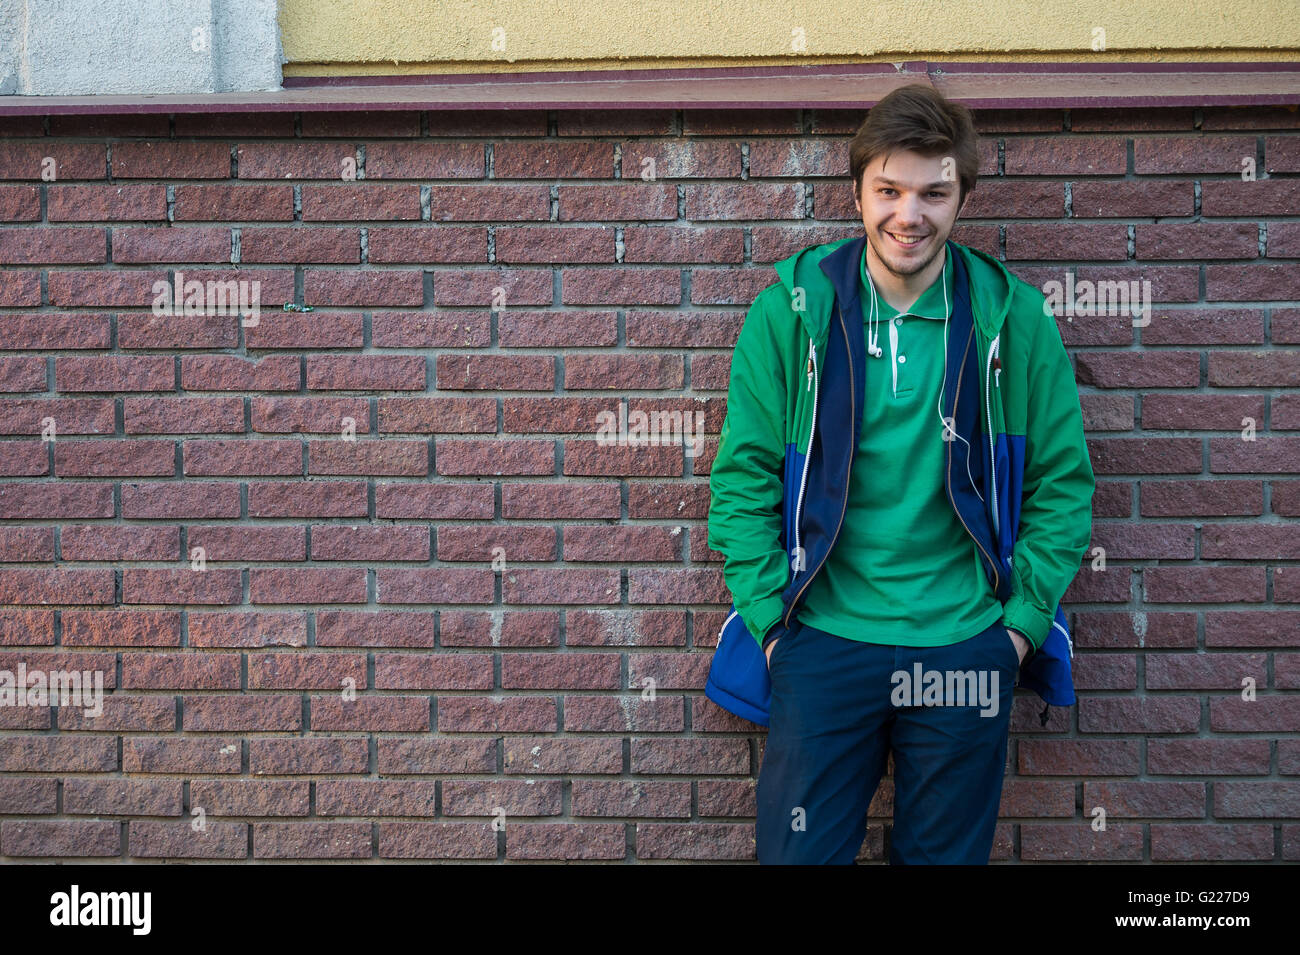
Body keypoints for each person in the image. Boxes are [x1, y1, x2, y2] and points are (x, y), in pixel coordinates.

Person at [705, 83, 1095, 864]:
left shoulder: (1012, 320)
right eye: (888, 190)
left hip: (964, 647)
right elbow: (742, 477)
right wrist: (775, 629)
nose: (908, 215)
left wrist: (1015, 632)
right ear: (857, 191)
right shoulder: (793, 313)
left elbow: (1063, 483)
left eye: (933, 193)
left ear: (962, 198)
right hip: (822, 642)